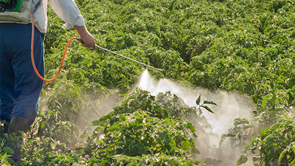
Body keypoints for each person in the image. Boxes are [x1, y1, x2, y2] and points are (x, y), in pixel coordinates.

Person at [0, 0, 95, 161]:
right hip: (25, 31)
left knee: (6, 88)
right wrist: (83, 33)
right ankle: (14, 147)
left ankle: (7, 150)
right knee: (28, 91)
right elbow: (63, 2)